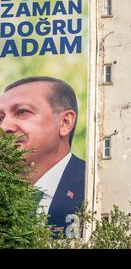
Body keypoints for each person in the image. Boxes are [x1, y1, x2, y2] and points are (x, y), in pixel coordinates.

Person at [0, 76, 85, 235]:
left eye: (22, 112)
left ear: (65, 122)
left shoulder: (94, 184)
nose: (4, 127)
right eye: (0, 118)